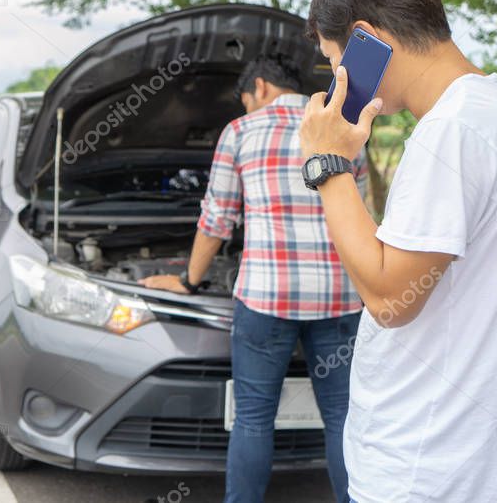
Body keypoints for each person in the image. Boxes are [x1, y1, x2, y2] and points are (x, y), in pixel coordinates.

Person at [298, 0, 497, 502]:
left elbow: (390, 299)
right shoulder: (493, 110)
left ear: (369, 39)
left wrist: (327, 164)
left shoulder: (451, 132)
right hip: (471, 460)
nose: (339, 76)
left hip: (428, 468)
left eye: (338, 59)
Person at [141, 55, 366, 503]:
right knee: (343, 417)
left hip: (266, 299)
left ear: (259, 88)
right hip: (340, 299)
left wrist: (187, 281)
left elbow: (217, 220)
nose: (246, 108)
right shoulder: (343, 125)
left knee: (253, 419)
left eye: (245, 100)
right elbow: (360, 216)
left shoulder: (242, 132)